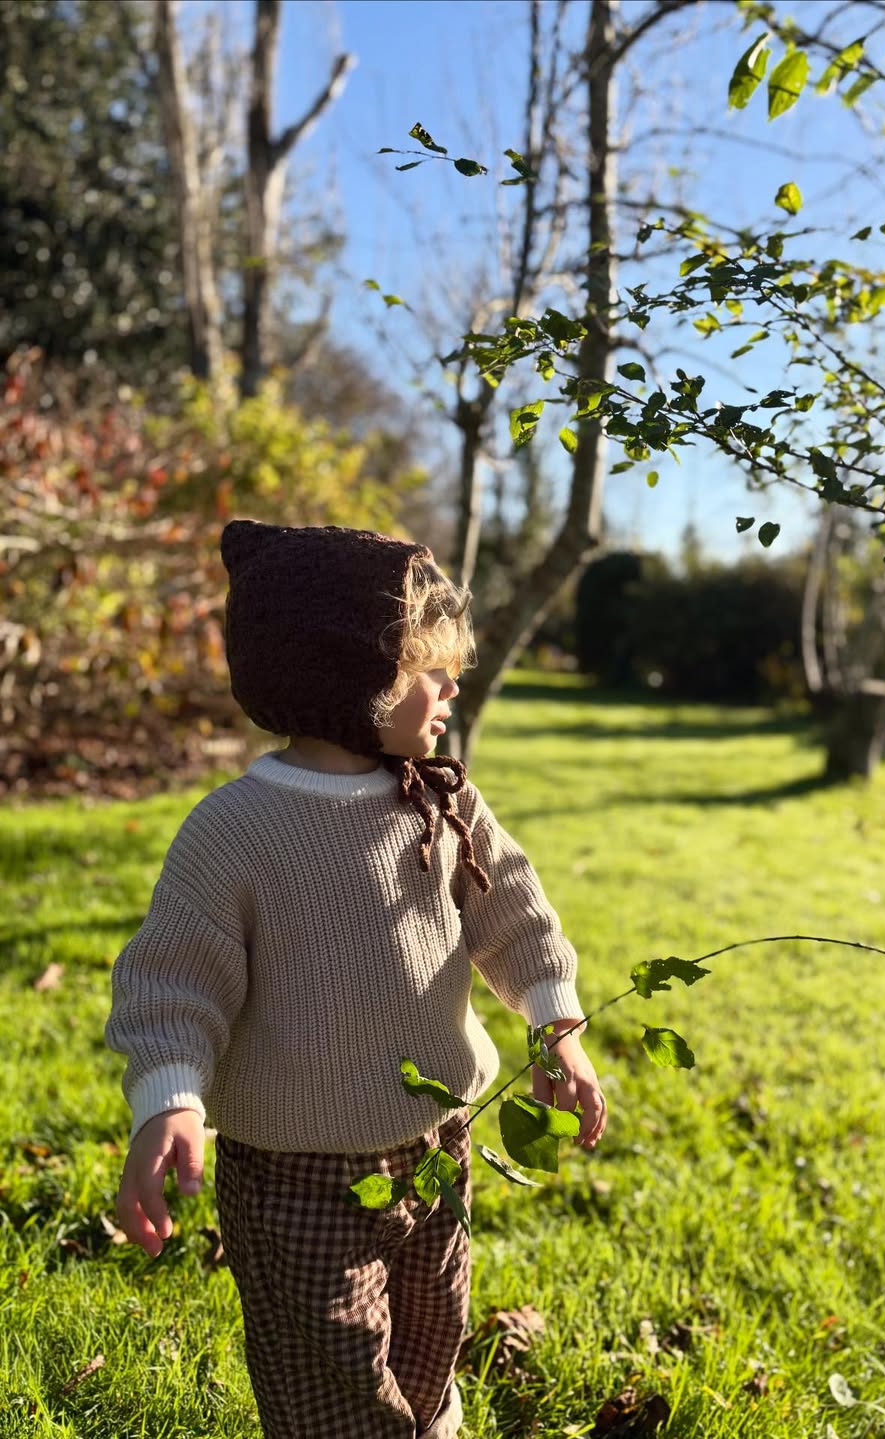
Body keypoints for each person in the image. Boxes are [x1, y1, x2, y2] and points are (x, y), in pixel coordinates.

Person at [105, 519, 607, 1439]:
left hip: (437, 1143)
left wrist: (553, 1020)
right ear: (348, 677)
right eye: (429, 669)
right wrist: (169, 1097)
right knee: (329, 1384)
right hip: (295, 1170)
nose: (453, 686)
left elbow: (513, 914)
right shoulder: (237, 829)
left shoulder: (444, 798)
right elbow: (174, 981)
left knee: (431, 1338)